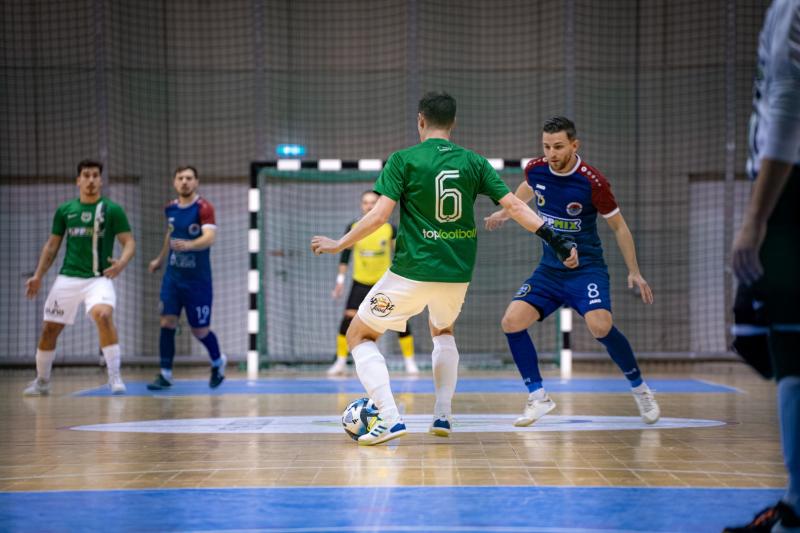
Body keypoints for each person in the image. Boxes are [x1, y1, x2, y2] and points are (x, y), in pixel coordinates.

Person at [311, 92, 578, 446]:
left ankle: (389, 417)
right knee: (443, 332)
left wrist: (338, 243)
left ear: (420, 120)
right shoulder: (475, 162)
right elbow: (514, 206)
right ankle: (442, 414)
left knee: (359, 335)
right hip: (457, 274)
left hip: (413, 269)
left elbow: (378, 216)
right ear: (453, 123)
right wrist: (556, 240)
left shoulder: (403, 160)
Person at [485, 116, 659, 426]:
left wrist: (634, 271)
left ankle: (641, 389)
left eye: (559, 146)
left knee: (600, 327)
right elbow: (526, 191)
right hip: (549, 272)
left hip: (586, 270)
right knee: (511, 322)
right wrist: (504, 212)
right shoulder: (536, 169)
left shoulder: (594, 183)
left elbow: (619, 227)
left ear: (574, 145)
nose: (551, 153)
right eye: (547, 146)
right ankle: (538, 397)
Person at [724, 0, 800, 530]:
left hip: (789, 197)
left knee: (777, 346)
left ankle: (796, 504)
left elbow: (788, 107)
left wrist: (755, 218)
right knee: (756, 338)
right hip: (782, 193)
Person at [24, 160, 135, 396]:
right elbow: (52, 247)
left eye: (95, 176)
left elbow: (129, 242)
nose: (91, 180)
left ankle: (114, 378)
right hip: (68, 278)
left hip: (99, 278)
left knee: (104, 315)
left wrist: (122, 262)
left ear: (101, 180)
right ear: (78, 180)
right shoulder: (66, 210)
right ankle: (42, 381)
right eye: (86, 175)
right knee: (49, 330)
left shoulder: (112, 210)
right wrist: (37, 275)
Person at [147, 166, 227, 390]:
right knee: (167, 322)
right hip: (173, 279)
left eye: (189, 178)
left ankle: (218, 362)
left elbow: (210, 237)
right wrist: (160, 259)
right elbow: (170, 234)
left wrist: (190, 245)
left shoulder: (204, 208)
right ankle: (165, 374)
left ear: (196, 182)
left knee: (199, 330)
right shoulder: (170, 208)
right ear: (174, 182)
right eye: (180, 178)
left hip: (198, 281)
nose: (184, 182)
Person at [328, 190, 419, 376]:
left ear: (378, 205)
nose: (369, 205)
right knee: (347, 319)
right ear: (362, 205)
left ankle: (410, 362)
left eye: (373, 202)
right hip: (360, 282)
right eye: (365, 202)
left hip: (384, 284)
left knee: (400, 320)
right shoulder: (353, 227)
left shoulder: (390, 229)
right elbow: (345, 255)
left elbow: (402, 253)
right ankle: (340, 362)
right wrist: (339, 281)